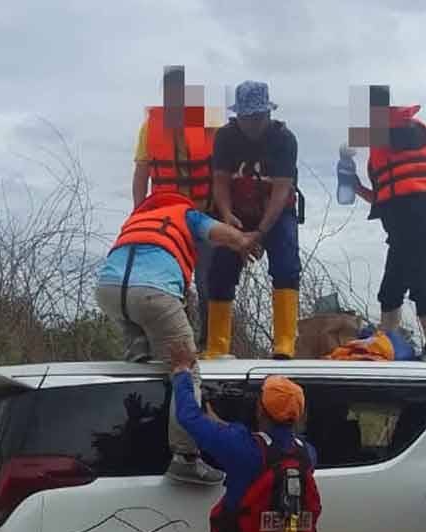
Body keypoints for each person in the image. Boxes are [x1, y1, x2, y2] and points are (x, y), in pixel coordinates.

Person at [95, 190, 260, 485]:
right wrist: (244, 241)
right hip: (153, 293)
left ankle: (139, 366)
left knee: (144, 358)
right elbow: (220, 232)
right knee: (187, 368)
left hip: (108, 291)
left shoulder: (138, 217)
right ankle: (186, 458)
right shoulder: (185, 214)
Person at [170, 342, 325, 532]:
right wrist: (223, 427)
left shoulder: (240, 446)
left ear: (260, 410)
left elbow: (187, 416)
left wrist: (182, 371)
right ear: (298, 415)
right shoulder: (308, 454)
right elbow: (269, 448)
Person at [206, 80, 302, 360]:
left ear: (268, 114)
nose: (252, 124)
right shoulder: (224, 137)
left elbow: (282, 191)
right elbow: (220, 182)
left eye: (258, 117)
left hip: (275, 211)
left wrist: (258, 233)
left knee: (286, 264)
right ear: (238, 116)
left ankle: (284, 343)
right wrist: (226, 218)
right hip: (235, 211)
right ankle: (216, 346)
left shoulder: (285, 140)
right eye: (246, 118)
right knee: (220, 268)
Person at [353, 87, 426, 361]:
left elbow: (392, 134)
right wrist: (357, 187)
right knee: (391, 288)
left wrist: (365, 130)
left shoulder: (410, 131)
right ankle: (388, 344)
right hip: (401, 230)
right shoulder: (381, 149)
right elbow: (384, 198)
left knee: (419, 283)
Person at [133, 65, 216, 348]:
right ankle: (170, 341)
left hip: (204, 214)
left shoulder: (208, 121)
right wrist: (138, 212)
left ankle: (210, 342)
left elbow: (225, 164)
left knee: (208, 280)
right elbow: (142, 172)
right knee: (168, 281)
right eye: (170, 94)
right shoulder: (150, 127)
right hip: (166, 219)